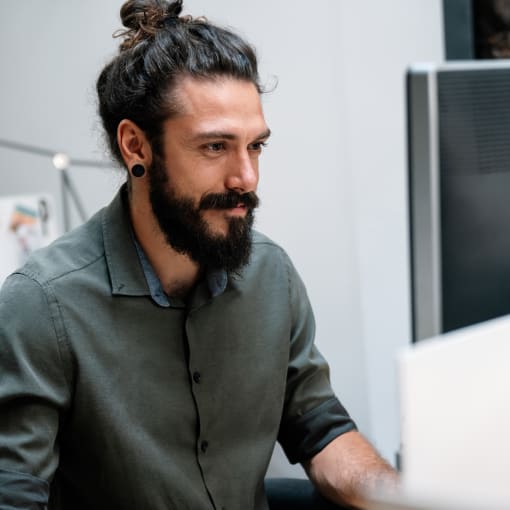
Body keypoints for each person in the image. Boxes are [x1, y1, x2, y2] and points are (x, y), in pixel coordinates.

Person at [0, 1, 398, 509]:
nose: (246, 179)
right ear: (135, 146)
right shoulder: (42, 305)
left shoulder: (270, 273)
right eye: (215, 148)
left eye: (255, 147)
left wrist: (409, 499)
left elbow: (320, 427)